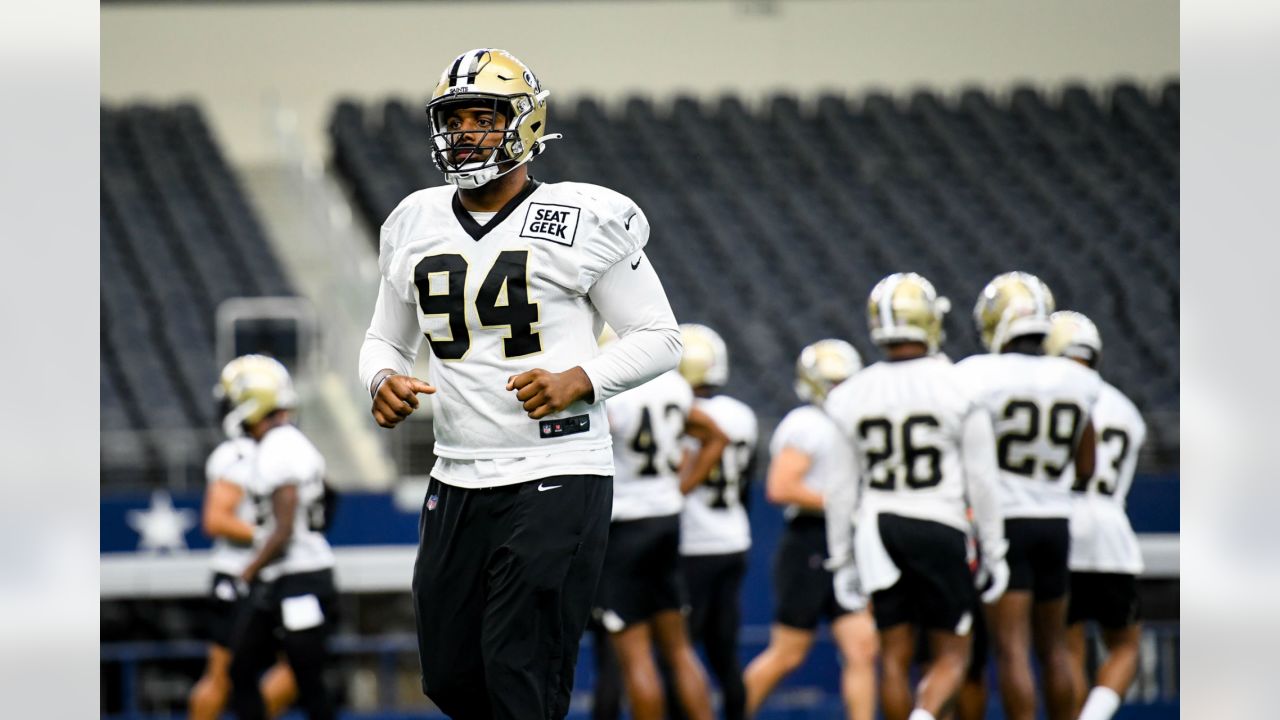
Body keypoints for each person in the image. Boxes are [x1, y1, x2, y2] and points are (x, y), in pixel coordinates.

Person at [356, 48, 683, 720]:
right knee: (450, 678)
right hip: (456, 477)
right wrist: (381, 377)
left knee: (521, 676)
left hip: (557, 470)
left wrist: (581, 378)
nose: (468, 132)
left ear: (526, 123)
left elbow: (660, 337)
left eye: (485, 116)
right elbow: (384, 340)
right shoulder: (413, 220)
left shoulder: (583, 217)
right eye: (456, 118)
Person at [824, 273, 1008, 720]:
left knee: (893, 654)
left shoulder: (850, 394)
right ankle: (923, 715)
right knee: (953, 654)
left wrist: (841, 558)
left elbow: (840, 491)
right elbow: (981, 480)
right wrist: (995, 549)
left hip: (878, 529)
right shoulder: (960, 386)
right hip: (938, 522)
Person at [956, 272, 1102, 720]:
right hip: (1056, 522)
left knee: (1012, 648)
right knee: (1055, 647)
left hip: (1004, 521)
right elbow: (1086, 464)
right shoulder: (1077, 379)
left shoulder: (976, 374)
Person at [592, 325, 727, 720]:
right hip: (666, 520)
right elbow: (715, 437)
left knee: (634, 654)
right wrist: (678, 489)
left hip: (625, 526)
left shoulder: (611, 386)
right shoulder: (673, 384)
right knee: (679, 647)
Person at [742, 340, 879, 720]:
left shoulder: (860, 424)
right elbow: (780, 487)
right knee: (788, 654)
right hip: (810, 542)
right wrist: (844, 502)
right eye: (832, 381)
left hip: (847, 542)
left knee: (862, 650)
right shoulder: (806, 423)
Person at [221, 355, 338, 720]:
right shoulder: (285, 442)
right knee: (240, 669)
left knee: (307, 682)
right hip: (286, 578)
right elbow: (329, 499)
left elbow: (284, 530)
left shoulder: (279, 445)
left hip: (299, 580)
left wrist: (247, 571)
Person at [1045, 311, 1147, 720]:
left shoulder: (1049, 395)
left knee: (1065, 644)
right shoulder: (1127, 410)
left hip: (1060, 523)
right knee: (1125, 645)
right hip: (1110, 533)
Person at [188, 369, 297, 720]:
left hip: (275, 576)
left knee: (297, 667)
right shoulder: (235, 454)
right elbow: (215, 519)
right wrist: (270, 535)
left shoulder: (282, 450)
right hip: (238, 575)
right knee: (220, 677)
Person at [671, 323, 759, 720]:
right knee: (725, 654)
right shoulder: (742, 414)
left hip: (693, 544)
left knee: (680, 653)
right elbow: (745, 484)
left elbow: (674, 478)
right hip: (733, 539)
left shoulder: (683, 416)